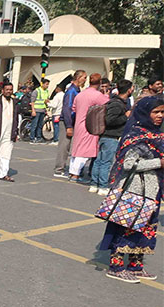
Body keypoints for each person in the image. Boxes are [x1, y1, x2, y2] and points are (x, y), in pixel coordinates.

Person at [98, 95, 164, 283]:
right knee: (127, 226)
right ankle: (116, 266)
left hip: (153, 191)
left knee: (146, 229)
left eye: (162, 112)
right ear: (145, 113)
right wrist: (158, 162)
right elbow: (128, 163)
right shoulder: (136, 134)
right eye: (156, 112)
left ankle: (136, 266)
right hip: (135, 189)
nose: (160, 116)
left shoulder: (158, 134)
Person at [91, 79, 133, 196]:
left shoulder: (114, 101)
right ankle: (102, 185)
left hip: (105, 135)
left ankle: (94, 184)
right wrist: (125, 116)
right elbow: (110, 120)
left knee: (99, 161)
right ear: (129, 90)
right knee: (105, 162)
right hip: (111, 136)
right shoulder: (117, 103)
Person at [69, 73, 109, 183]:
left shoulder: (80, 94)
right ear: (100, 83)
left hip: (78, 124)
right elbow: (107, 104)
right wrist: (106, 94)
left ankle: (72, 172)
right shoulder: (97, 95)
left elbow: (74, 108)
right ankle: (76, 175)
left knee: (77, 150)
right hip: (90, 125)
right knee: (84, 152)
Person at [54, 69, 86, 178]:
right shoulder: (71, 91)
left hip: (74, 121)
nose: (85, 80)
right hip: (68, 121)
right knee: (64, 145)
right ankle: (59, 169)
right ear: (78, 78)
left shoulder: (77, 90)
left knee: (69, 145)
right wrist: (69, 126)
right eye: (84, 77)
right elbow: (67, 108)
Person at [29, 79, 50, 143]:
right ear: (42, 84)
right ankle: (32, 137)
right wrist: (33, 111)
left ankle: (38, 137)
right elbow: (32, 101)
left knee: (40, 125)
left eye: (48, 84)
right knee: (34, 125)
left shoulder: (46, 91)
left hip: (43, 110)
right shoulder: (37, 91)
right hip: (36, 110)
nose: (47, 86)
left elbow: (46, 100)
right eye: (46, 84)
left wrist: (46, 108)